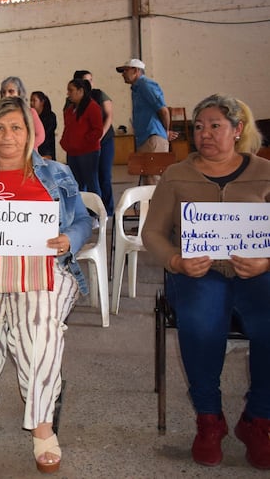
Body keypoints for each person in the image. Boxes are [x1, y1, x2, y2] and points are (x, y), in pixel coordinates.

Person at [0, 97, 92, 472]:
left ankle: (42, 425)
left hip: (43, 265)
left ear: (30, 134)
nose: (7, 136)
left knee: (39, 327)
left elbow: (82, 222)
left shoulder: (57, 174)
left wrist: (70, 240)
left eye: (16, 127)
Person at [142, 94, 270, 470]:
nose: (205, 134)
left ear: (237, 130)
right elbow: (153, 232)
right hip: (196, 271)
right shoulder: (177, 174)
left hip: (257, 271)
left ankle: (258, 420)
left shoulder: (264, 172)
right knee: (200, 322)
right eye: (198, 127)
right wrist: (176, 261)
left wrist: (265, 262)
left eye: (215, 125)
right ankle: (209, 420)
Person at [115, 58, 177, 184]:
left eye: (125, 70)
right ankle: (151, 204)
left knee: (153, 178)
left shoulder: (145, 85)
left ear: (136, 70)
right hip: (145, 138)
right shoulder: (136, 88)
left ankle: (157, 204)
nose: (123, 74)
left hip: (152, 137)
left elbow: (163, 110)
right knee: (147, 178)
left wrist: (165, 131)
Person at [74, 70, 115, 213]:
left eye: (91, 80)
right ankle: (90, 210)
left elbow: (109, 116)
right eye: (86, 81)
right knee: (89, 177)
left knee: (104, 174)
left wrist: (100, 135)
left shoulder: (99, 95)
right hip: (86, 144)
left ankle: (108, 210)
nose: (90, 83)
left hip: (104, 140)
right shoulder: (72, 100)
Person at [60, 79, 103, 195]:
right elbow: (68, 128)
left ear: (80, 91)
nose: (68, 93)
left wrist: (83, 142)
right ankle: (81, 210)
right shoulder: (70, 110)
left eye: (71, 90)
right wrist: (65, 142)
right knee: (76, 184)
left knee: (91, 183)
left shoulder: (93, 107)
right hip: (73, 152)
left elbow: (98, 130)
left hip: (88, 152)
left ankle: (97, 211)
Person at [0, 76, 46, 148]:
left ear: (20, 93)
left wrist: (24, 150)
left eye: (11, 91)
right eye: (4, 92)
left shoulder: (30, 113)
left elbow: (40, 136)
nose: (6, 95)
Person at [30, 91, 56, 159]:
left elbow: (44, 135)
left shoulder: (50, 116)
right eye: (30, 100)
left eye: (34, 100)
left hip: (46, 151)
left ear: (42, 102)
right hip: (34, 150)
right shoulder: (30, 116)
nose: (31, 103)